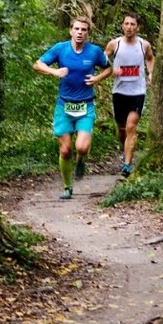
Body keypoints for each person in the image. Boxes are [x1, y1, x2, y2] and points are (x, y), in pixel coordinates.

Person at [34, 17, 112, 200]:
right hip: (64, 106)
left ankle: (81, 161)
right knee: (65, 150)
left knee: (82, 147)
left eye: (83, 30)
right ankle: (67, 187)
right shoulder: (60, 49)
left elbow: (109, 69)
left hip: (86, 105)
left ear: (87, 33)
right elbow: (37, 64)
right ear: (70, 31)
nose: (79, 32)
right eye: (76, 29)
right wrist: (54, 71)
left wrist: (97, 79)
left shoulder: (94, 52)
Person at [103, 13, 154, 177]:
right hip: (119, 92)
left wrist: (150, 73)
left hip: (138, 92)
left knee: (131, 126)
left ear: (137, 27)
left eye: (133, 24)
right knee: (122, 128)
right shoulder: (114, 44)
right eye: (127, 24)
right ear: (122, 26)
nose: (129, 27)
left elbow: (150, 58)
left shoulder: (143, 45)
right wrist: (111, 70)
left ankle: (127, 165)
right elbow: (102, 59)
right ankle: (125, 149)